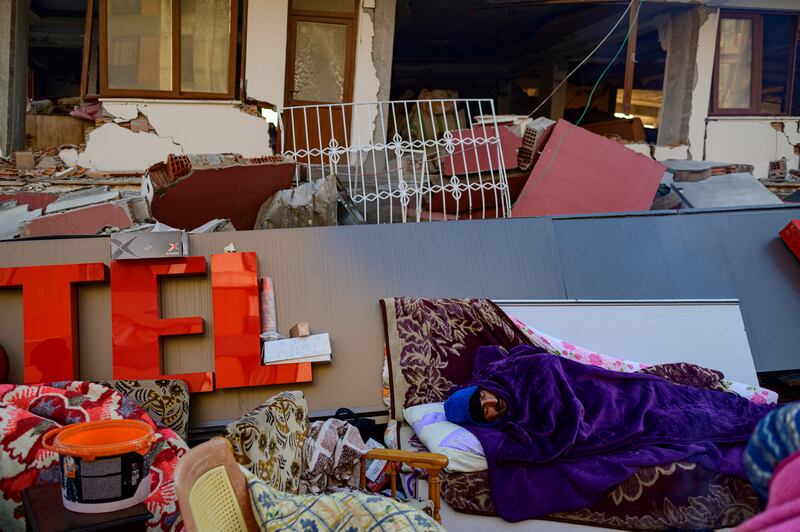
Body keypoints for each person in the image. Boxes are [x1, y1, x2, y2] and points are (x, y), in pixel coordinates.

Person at [441, 344, 776, 522]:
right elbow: (556, 436)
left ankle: (767, 420)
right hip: (626, 422)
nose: (488, 407)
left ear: (480, 388)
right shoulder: (513, 422)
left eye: (481, 400)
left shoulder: (518, 369)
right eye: (483, 414)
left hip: (632, 396)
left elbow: (552, 371)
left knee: (707, 407)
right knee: (693, 426)